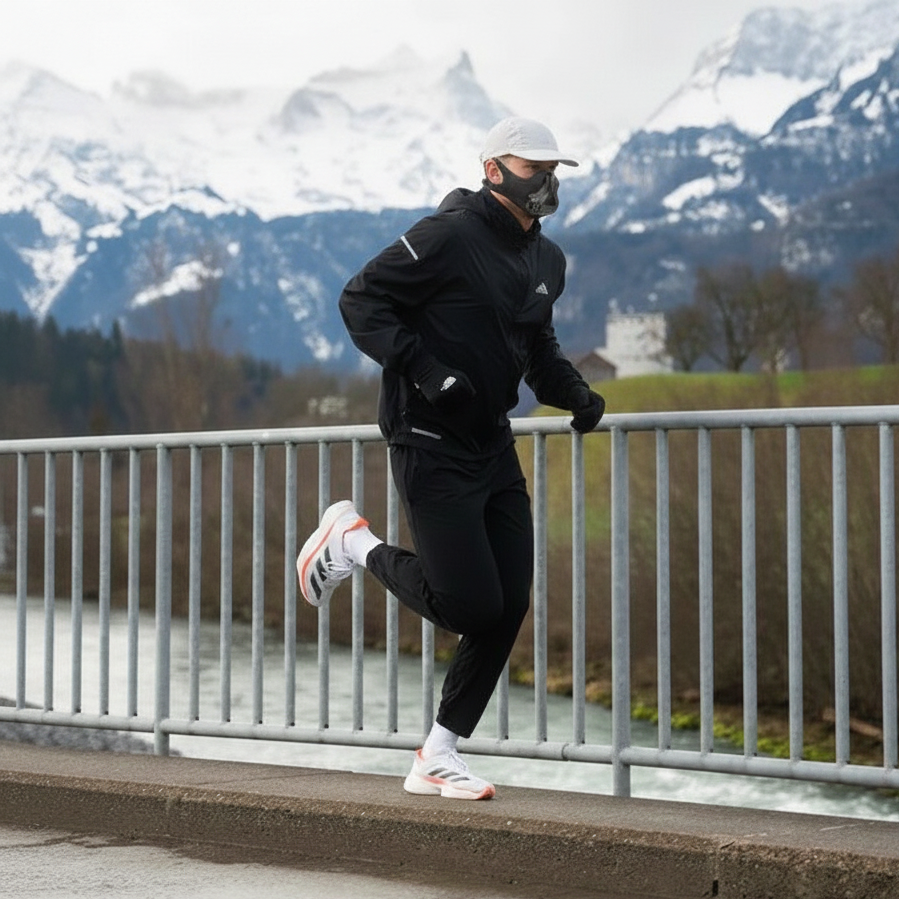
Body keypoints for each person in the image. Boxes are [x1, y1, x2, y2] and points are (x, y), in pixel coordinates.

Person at [296, 116, 605, 800]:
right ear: (493, 170)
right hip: (428, 437)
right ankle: (352, 542)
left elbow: (538, 351)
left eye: (553, 171)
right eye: (532, 169)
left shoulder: (547, 260)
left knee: (507, 605)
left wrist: (577, 394)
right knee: (467, 604)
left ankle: (436, 755)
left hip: (491, 442)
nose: (546, 182)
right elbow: (360, 299)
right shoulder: (448, 235)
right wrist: (428, 372)